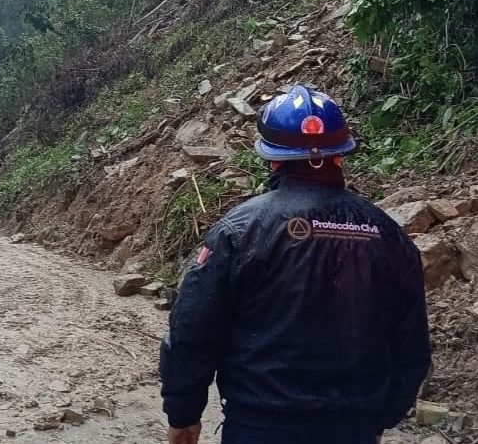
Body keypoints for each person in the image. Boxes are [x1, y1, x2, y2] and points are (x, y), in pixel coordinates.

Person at [160, 84, 431, 444]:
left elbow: (192, 331)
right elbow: (411, 341)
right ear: (339, 157)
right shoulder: (388, 234)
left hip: (259, 426)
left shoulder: (241, 230)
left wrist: (184, 414)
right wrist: (381, 416)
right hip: (354, 428)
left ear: (272, 158)